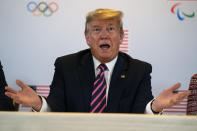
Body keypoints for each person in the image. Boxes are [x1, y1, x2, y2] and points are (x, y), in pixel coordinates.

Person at [5, 9, 190, 113]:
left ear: (121, 36)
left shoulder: (139, 69)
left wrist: (156, 105)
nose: (104, 35)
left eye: (110, 29)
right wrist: (38, 103)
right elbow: (57, 106)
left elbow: (141, 110)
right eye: (96, 30)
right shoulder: (66, 65)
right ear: (87, 38)